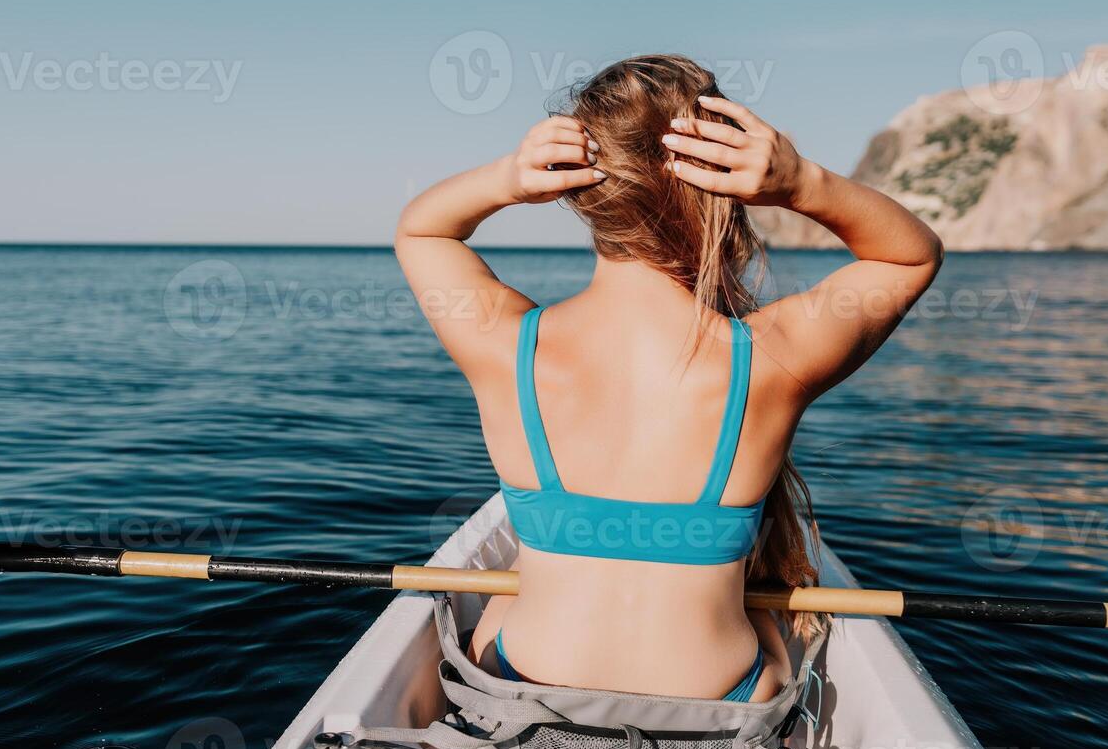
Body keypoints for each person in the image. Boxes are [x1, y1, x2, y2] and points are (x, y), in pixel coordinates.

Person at [394, 55, 942, 702]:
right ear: (725, 193)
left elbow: (422, 231)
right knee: (771, 610)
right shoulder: (771, 357)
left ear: (580, 191)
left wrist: (507, 178)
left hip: (527, 714)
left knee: (508, 599)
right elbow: (910, 254)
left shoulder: (505, 345)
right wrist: (804, 183)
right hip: (717, 725)